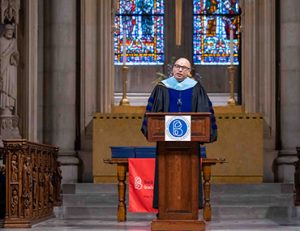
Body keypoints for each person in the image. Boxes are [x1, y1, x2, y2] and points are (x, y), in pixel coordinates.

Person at [141, 57, 217, 210]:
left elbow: (205, 116)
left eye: (184, 67)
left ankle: (191, 210)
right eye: (177, 66)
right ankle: (164, 209)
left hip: (191, 147)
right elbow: (151, 116)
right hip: (165, 146)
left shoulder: (196, 88)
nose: (180, 70)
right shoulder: (162, 88)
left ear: (189, 72)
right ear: (173, 68)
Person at [0, 23, 19, 116]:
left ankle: (9, 108)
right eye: (8, 31)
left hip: (11, 68)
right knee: (3, 89)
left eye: (12, 31)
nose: (10, 33)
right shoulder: (1, 41)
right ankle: (4, 110)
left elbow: (17, 55)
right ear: (4, 31)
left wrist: (14, 56)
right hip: (3, 69)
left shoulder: (14, 42)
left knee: (10, 88)